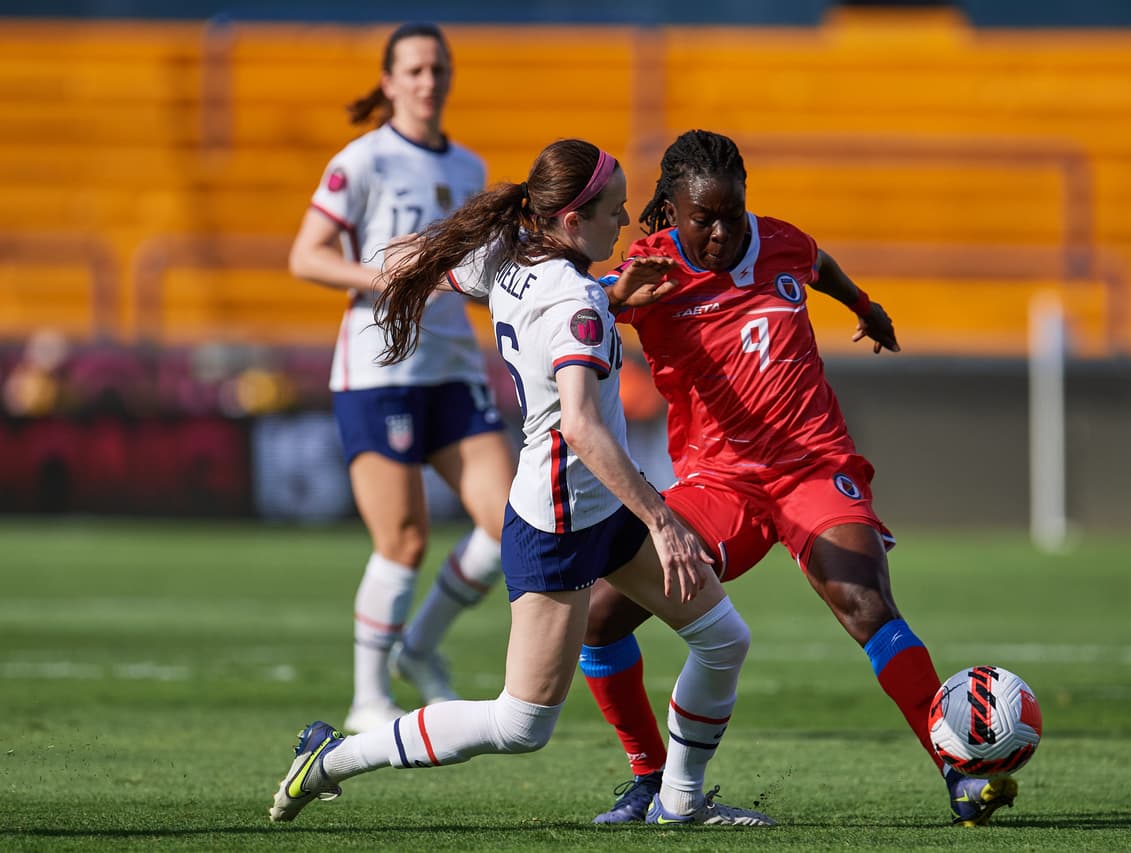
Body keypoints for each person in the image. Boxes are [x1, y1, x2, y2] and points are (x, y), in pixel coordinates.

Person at [269, 138, 773, 827]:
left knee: (723, 638)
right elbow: (582, 427)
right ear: (572, 221)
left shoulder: (511, 255)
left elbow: (441, 265)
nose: (625, 222)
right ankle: (331, 757)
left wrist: (614, 293)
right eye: (614, 210)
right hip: (559, 521)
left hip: (600, 506)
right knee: (520, 723)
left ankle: (679, 801)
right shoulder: (574, 302)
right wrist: (663, 520)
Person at [578, 129, 1018, 827]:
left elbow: (821, 265)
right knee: (599, 613)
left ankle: (959, 769)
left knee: (865, 601)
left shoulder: (779, 241)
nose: (722, 232)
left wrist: (865, 307)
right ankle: (649, 777)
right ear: (673, 208)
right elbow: (579, 315)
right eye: (705, 219)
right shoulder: (649, 266)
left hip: (812, 466)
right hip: (719, 483)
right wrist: (616, 297)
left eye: (733, 213)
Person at [287, 22, 515, 733]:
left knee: (510, 525)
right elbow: (306, 256)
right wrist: (382, 280)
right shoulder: (364, 161)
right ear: (389, 82)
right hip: (379, 368)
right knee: (404, 539)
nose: (428, 81)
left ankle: (418, 646)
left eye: (437, 68)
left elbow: (477, 273)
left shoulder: (470, 167)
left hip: (450, 366)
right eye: (414, 70)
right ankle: (366, 697)